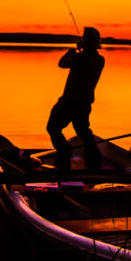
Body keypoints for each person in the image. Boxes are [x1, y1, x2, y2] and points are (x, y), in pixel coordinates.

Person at [46, 26, 104, 170]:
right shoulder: (100, 60)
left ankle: (65, 153)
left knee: (53, 127)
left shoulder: (79, 58)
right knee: (83, 130)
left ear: (86, 42)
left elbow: (62, 63)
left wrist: (71, 51)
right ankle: (94, 159)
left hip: (69, 102)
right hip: (84, 103)